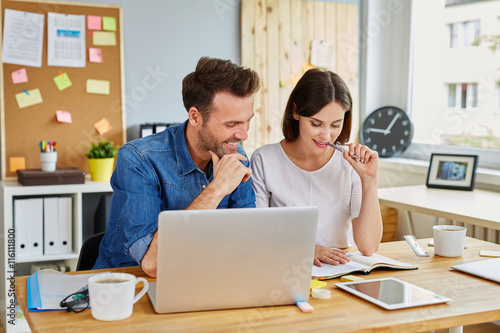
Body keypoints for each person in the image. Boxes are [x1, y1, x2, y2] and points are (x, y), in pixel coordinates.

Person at [94, 57, 260, 277]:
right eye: (231, 124)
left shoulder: (233, 156)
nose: (243, 134)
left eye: (247, 120)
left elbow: (245, 241)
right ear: (195, 116)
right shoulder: (138, 159)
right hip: (126, 286)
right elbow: (153, 264)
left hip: (198, 279)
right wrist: (217, 188)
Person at [250, 68, 382, 267]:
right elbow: (258, 233)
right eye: (316, 124)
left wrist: (369, 179)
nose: (326, 135)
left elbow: (368, 246)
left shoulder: (351, 164)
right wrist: (306, 248)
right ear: (296, 112)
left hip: (337, 270)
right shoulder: (264, 159)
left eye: (335, 125)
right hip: (283, 265)